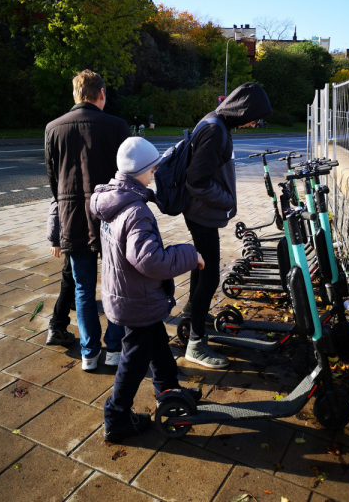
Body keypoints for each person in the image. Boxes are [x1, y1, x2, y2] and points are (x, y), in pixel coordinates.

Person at [90, 137, 204, 440]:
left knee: (155, 342)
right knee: (135, 357)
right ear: (140, 171)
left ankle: (169, 390)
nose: (154, 174)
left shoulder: (115, 200)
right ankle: (116, 417)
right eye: (152, 169)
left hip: (127, 292)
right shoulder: (136, 211)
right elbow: (151, 261)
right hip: (136, 296)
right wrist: (190, 255)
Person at [45, 69, 131, 371]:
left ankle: (89, 353)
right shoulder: (118, 126)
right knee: (117, 282)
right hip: (110, 215)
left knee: (82, 288)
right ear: (102, 94)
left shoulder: (53, 128)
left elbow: (54, 182)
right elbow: (127, 175)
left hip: (73, 218)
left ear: (75, 94)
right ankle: (114, 348)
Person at [183, 82, 272, 369]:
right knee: (209, 276)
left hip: (200, 210)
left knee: (200, 267)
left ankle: (190, 314)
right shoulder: (214, 129)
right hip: (202, 212)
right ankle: (195, 345)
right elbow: (196, 180)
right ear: (244, 110)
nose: (254, 123)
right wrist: (226, 201)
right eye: (255, 116)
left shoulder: (216, 122)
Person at [45, 198, 76, 346]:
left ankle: (73, 302)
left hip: (74, 229)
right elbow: (56, 203)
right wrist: (54, 240)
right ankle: (57, 326)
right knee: (70, 278)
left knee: (71, 277)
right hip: (77, 231)